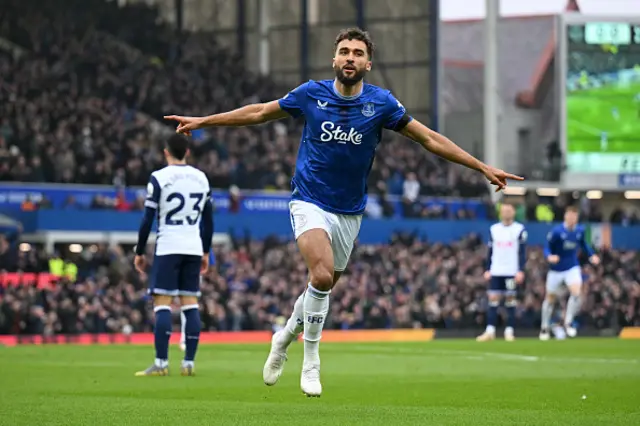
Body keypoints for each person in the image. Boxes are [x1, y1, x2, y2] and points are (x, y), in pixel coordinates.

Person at [164, 27, 523, 396]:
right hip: (308, 200)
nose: (350, 57)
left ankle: (284, 336)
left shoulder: (381, 103)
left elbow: (429, 138)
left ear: (368, 63)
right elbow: (259, 112)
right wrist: (205, 120)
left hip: (349, 211)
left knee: (323, 286)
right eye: (344, 51)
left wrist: (480, 166)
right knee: (320, 277)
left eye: (357, 53)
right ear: (334, 59)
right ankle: (311, 360)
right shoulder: (310, 94)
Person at [134, 134, 214, 376]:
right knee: (191, 304)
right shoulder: (201, 178)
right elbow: (208, 220)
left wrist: (139, 250)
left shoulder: (159, 177)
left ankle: (161, 363)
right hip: (192, 245)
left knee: (162, 304)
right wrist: (205, 251)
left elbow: (148, 218)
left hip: (168, 245)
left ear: (165, 151)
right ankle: (188, 363)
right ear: (187, 152)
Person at [540, 206, 600, 340]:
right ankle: (544, 327)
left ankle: (568, 322)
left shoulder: (580, 230)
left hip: (572, 267)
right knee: (550, 299)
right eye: (570, 216)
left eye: (575, 217)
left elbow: (584, 244)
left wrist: (591, 255)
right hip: (556, 270)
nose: (573, 219)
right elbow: (547, 247)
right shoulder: (556, 232)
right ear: (565, 217)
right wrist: (549, 256)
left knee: (576, 293)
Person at [476, 203, 527, 342]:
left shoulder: (519, 229)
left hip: (511, 271)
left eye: (509, 210)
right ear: (500, 213)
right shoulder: (494, 229)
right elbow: (490, 251)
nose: (506, 213)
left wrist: (520, 270)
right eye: (504, 210)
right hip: (496, 270)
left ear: (514, 212)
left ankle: (509, 331)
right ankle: (490, 331)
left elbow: (522, 252)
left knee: (510, 301)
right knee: (493, 300)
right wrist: (488, 269)